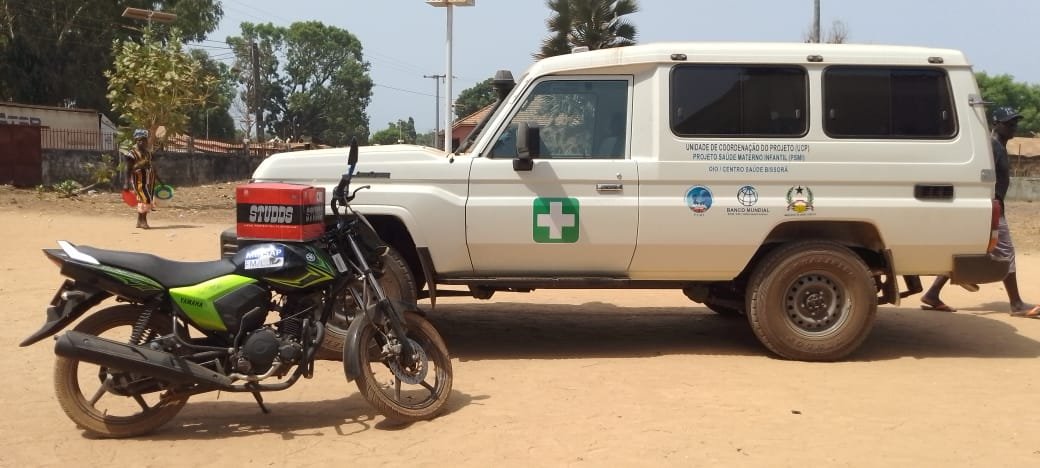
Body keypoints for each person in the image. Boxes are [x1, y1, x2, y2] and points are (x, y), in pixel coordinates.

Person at [920, 107, 1040, 317]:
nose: (1013, 126)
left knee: (967, 249)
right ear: (995, 124)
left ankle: (932, 294)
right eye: (1008, 123)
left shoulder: (997, 146)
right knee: (1006, 252)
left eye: (1014, 123)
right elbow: (981, 177)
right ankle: (1017, 304)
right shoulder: (992, 146)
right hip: (990, 208)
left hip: (988, 207)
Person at [122, 128, 157, 229]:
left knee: (143, 200)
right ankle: (143, 221)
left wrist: (159, 179)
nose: (142, 142)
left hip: (149, 181)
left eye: (144, 140)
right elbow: (128, 169)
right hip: (139, 181)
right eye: (139, 140)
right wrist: (126, 183)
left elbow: (152, 167)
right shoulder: (131, 154)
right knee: (146, 199)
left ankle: (139, 221)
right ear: (136, 140)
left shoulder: (148, 153)